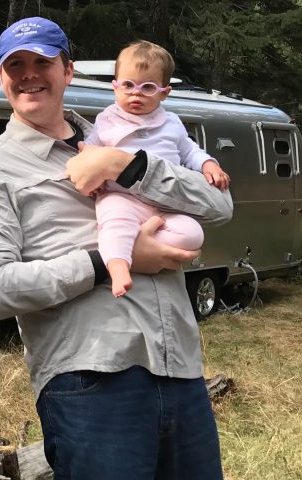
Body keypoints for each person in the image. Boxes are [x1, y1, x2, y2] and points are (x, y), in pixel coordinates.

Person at [0, 17, 233, 480]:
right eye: (15, 67)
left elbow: (220, 204)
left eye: (42, 63)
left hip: (181, 374)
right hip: (89, 385)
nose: (29, 76)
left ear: (69, 70)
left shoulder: (123, 131)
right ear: (2, 78)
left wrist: (127, 166)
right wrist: (105, 261)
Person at [85, 40, 232, 296]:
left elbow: (189, 151)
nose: (136, 94)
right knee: (114, 221)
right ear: (115, 86)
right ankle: (118, 266)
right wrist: (94, 177)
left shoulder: (171, 122)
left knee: (193, 234)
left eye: (148, 87)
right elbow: (90, 151)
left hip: (165, 203)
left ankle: (146, 248)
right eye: (128, 85)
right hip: (123, 197)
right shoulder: (106, 119)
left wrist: (208, 164)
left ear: (165, 92)